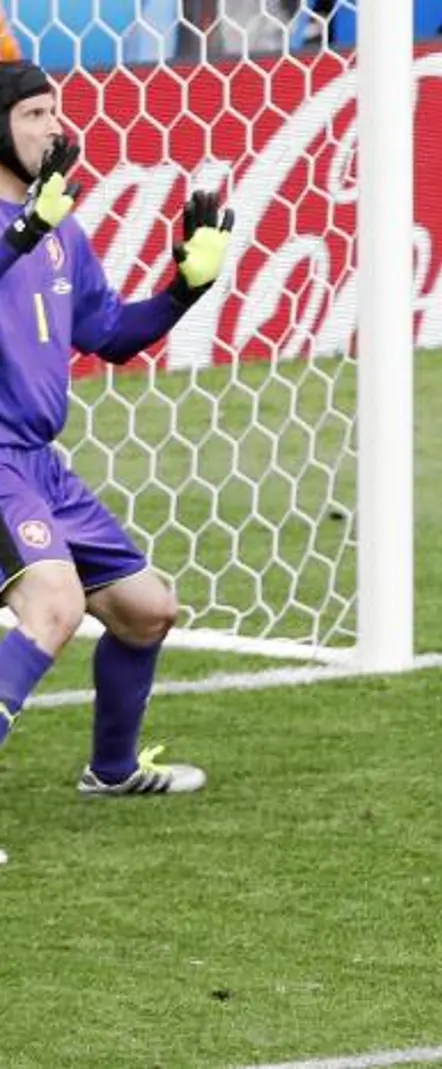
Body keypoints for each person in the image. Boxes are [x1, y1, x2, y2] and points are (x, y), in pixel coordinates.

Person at [0, 60, 234, 841]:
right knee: (54, 605)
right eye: (34, 114)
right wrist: (25, 228)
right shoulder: (30, 226)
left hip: (37, 463)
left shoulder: (60, 231)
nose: (53, 128)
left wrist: (182, 290)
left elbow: (108, 336)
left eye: (55, 112)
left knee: (146, 609)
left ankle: (111, 769)